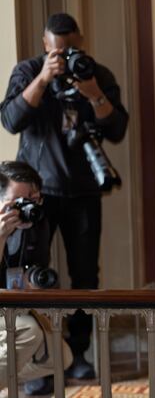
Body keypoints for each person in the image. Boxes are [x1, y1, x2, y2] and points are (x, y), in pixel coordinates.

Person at [0, 12, 128, 380]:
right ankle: (35, 362)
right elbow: (11, 120)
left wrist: (94, 94)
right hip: (37, 194)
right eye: (59, 49)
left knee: (85, 275)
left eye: (72, 47)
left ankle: (80, 353)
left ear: (80, 39)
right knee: (28, 271)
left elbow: (117, 128)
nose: (67, 54)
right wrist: (44, 77)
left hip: (83, 191)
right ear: (45, 46)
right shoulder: (28, 71)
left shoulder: (95, 74)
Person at [0, 161, 73, 394]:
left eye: (33, 200)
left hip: (14, 307)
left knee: (60, 357)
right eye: (18, 202)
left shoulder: (36, 223)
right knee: (28, 331)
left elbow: (37, 268)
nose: (26, 208)